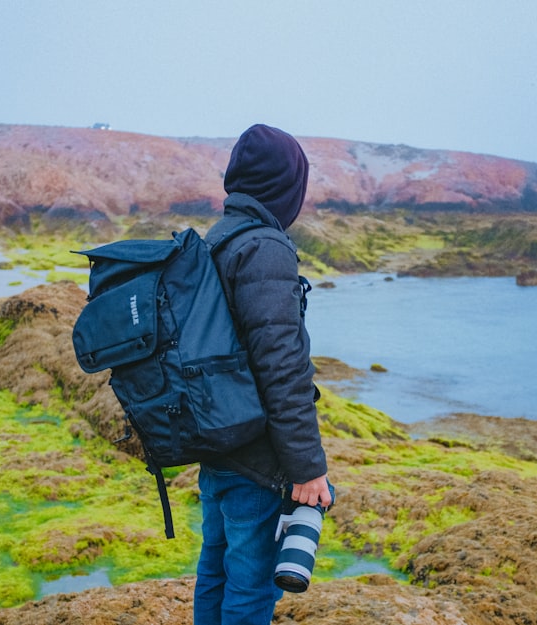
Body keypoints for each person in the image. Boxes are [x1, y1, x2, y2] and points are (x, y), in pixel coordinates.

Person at [195, 124, 332, 625]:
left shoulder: (219, 237)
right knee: (251, 588)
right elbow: (282, 367)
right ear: (284, 187)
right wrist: (307, 468)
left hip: (218, 443)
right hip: (256, 457)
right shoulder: (265, 248)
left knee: (216, 568)